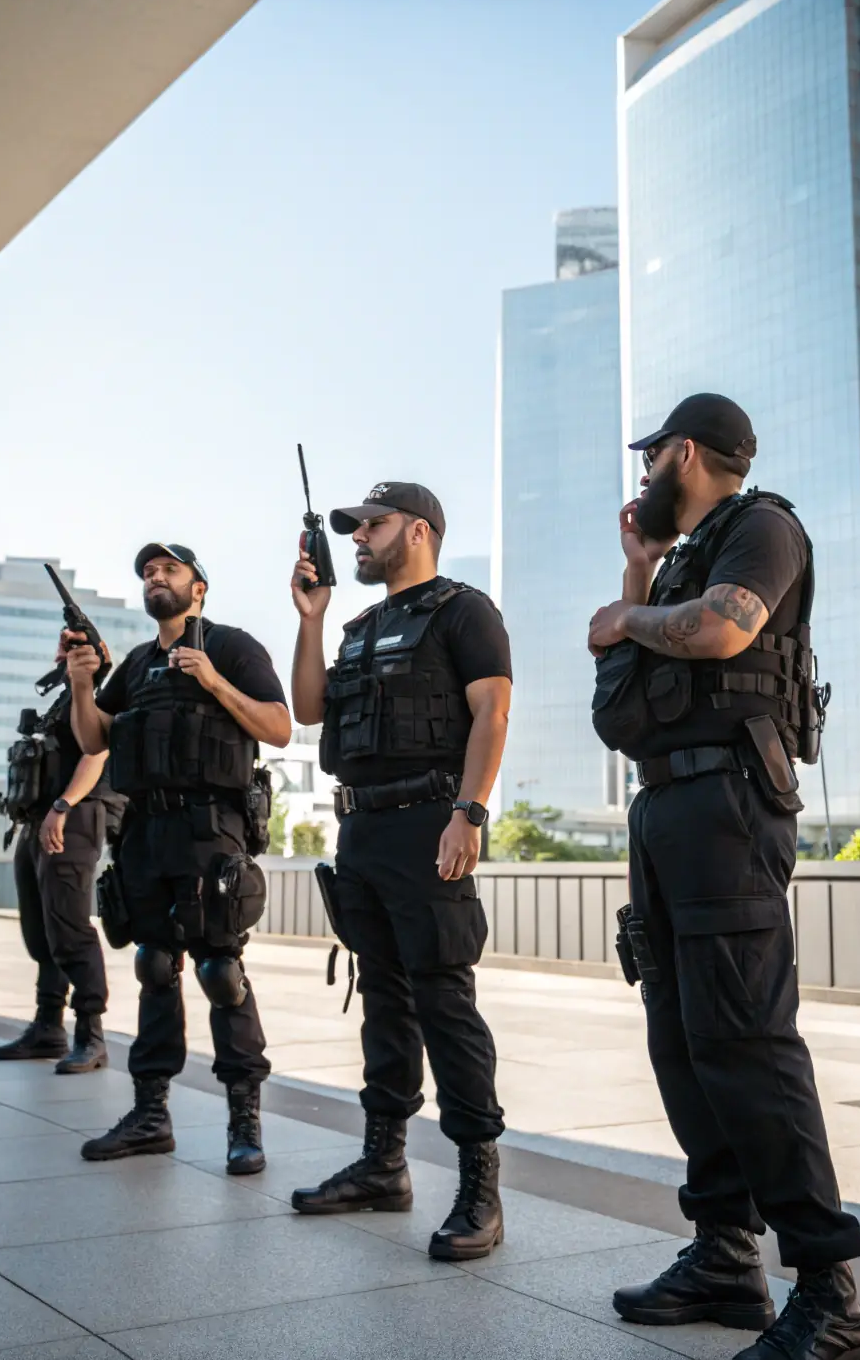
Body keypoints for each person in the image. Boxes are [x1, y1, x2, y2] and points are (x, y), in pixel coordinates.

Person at [588, 395, 860, 1360]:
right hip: (665, 810)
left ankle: (830, 1292)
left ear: (690, 452)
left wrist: (630, 609)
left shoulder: (763, 528)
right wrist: (639, 573)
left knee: (747, 1039)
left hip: (729, 810)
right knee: (681, 1035)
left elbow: (721, 633)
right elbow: (621, 702)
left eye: (651, 455)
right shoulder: (678, 561)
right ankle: (723, 1252)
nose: (642, 475)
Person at [288, 481, 512, 1262]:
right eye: (352, 527)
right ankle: (384, 1162)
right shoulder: (355, 625)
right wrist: (311, 621)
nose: (355, 538)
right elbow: (309, 708)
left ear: (417, 530)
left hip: (430, 821)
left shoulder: (463, 610)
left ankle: (480, 1184)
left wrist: (470, 812)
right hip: (363, 830)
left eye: (370, 525)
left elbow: (492, 710)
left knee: (444, 998)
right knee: (383, 998)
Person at [66, 543, 291, 1175]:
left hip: (211, 828)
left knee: (220, 969)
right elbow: (92, 739)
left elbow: (280, 726)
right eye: (147, 572)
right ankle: (150, 1116)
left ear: (199, 588)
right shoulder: (136, 664)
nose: (154, 577)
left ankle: (245, 1123)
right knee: (154, 964)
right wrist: (83, 683)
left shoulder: (232, 645)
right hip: (144, 832)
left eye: (168, 569)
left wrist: (212, 679)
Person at [0, 634, 121, 1073]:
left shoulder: (99, 694)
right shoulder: (60, 701)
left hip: (73, 817)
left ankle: (91, 1034)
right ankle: (48, 1025)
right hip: (36, 820)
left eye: (70, 648)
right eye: (60, 647)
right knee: (40, 928)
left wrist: (64, 806)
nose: (59, 654)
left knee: (69, 926)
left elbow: (97, 753)